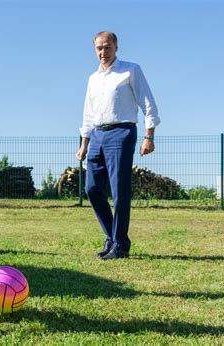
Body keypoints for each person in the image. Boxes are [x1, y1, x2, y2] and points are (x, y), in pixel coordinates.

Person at [76, 31, 160, 260]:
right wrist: (84, 143)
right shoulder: (93, 78)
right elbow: (88, 113)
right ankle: (112, 237)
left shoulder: (130, 70)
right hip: (97, 135)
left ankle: (120, 245)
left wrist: (149, 135)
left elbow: (148, 103)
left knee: (119, 190)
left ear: (116, 47)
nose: (103, 52)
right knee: (92, 189)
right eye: (99, 48)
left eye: (107, 47)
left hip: (122, 133)